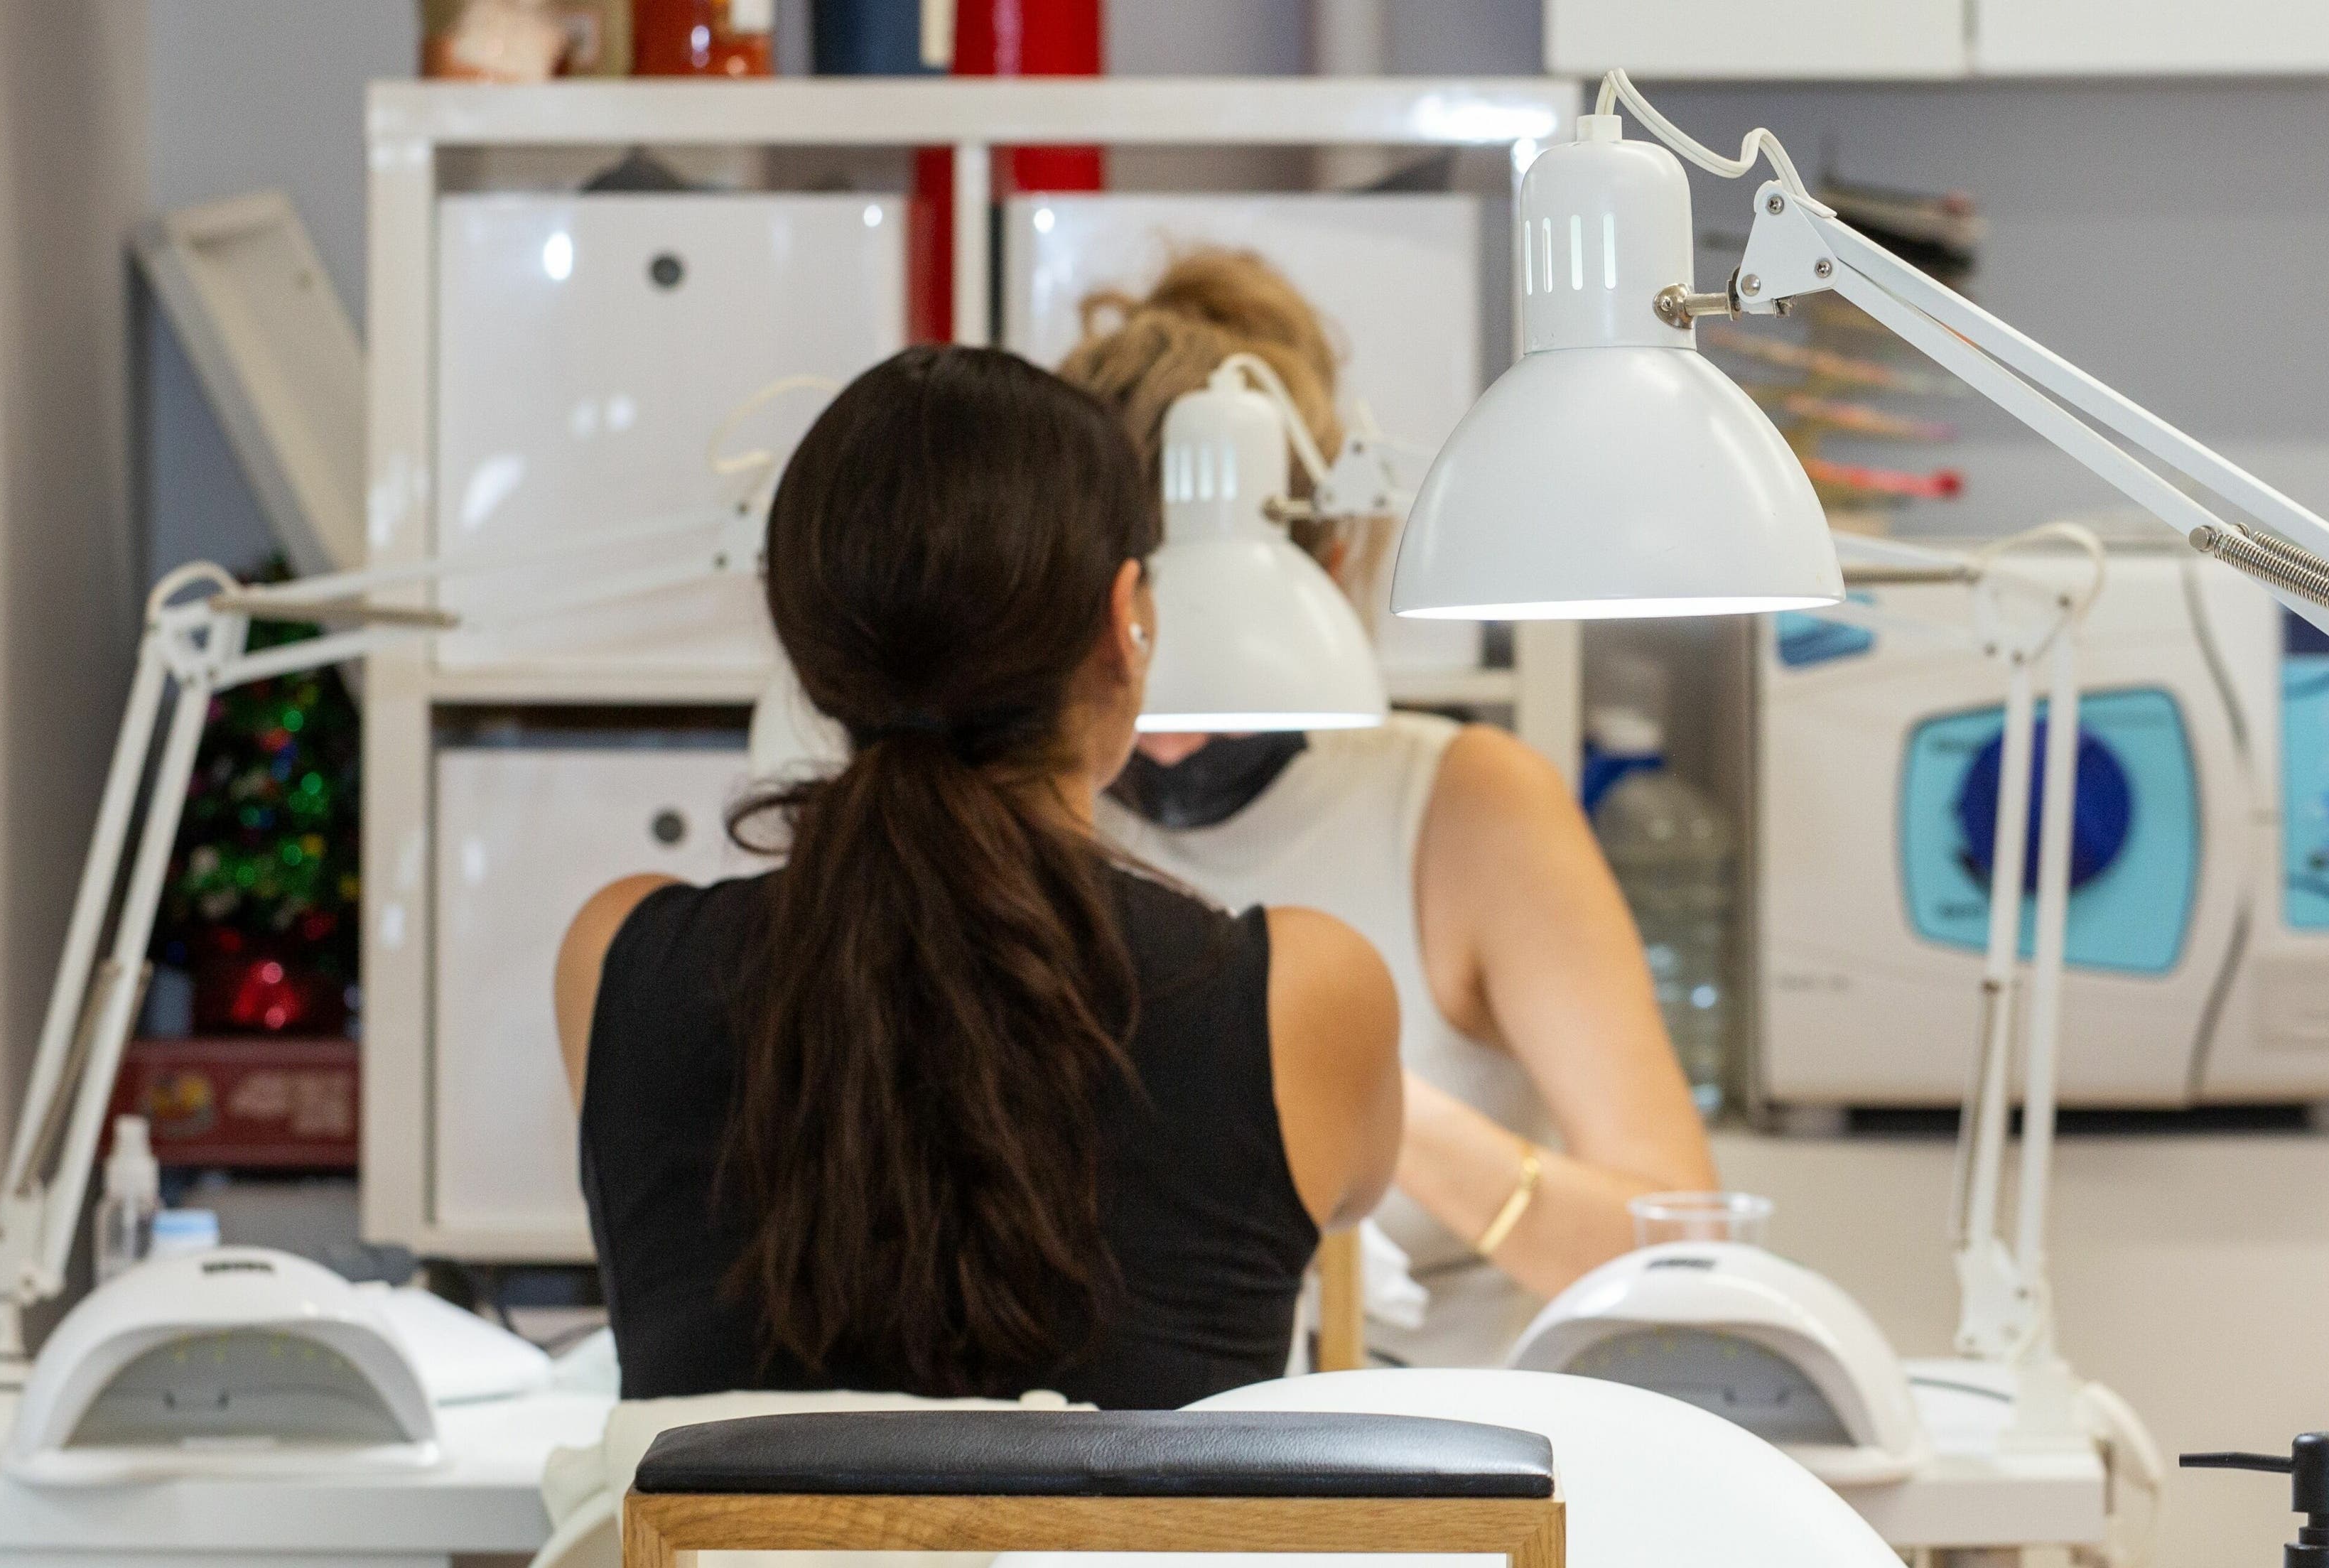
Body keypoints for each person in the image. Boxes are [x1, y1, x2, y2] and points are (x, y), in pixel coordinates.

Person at [553, 344, 1401, 1408]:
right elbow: (1357, 1193)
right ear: (1126, 623)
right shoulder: (1306, 993)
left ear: (807, 645)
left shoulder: (615, 958)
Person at [1060, 249, 1718, 1356]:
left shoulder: (1463, 808)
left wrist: (1362, 1098)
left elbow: (1686, 1258)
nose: (1170, 723)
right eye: (1135, 647)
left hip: (1435, 1466)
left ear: (1329, 564)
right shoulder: (1026, 817)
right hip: (1107, 1466)